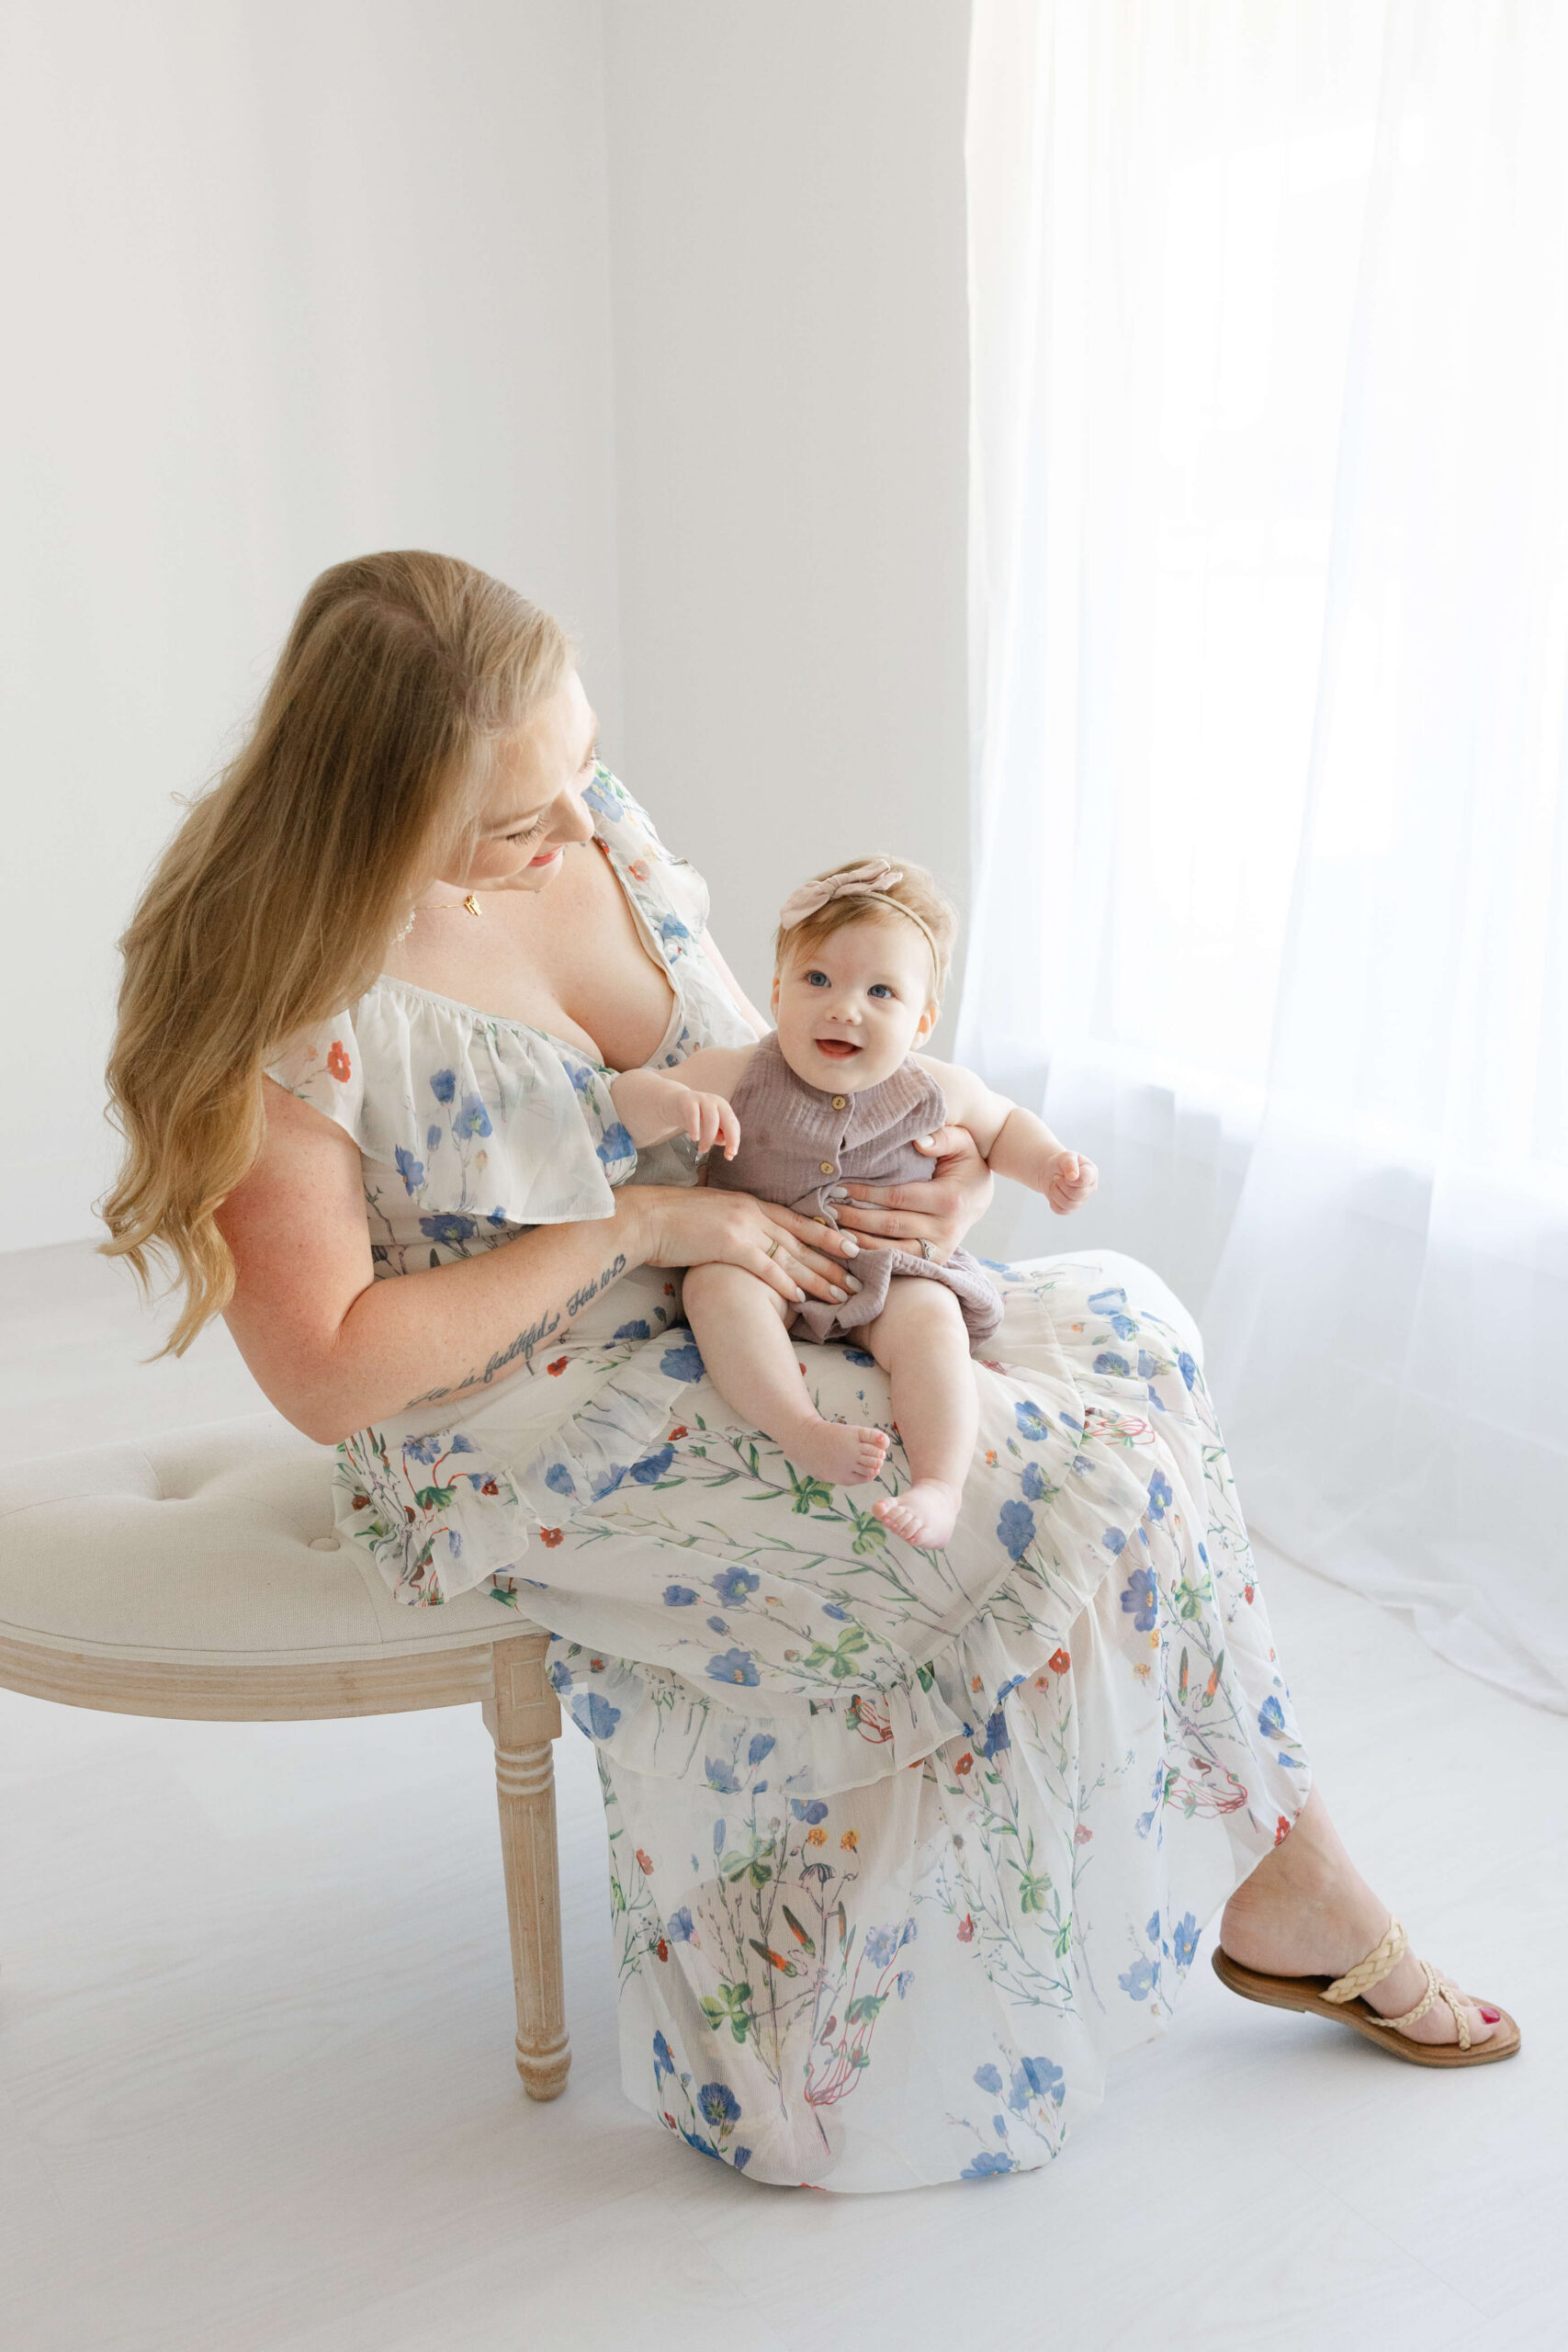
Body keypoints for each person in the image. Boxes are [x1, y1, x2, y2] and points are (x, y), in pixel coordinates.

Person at [101, 552, 1516, 2195]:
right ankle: (1294, 1888)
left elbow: (783, 1060)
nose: (570, 833)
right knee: (1078, 1483)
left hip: (778, 1269)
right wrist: (633, 1223)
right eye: (517, 820)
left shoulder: (580, 816)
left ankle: (1204, 1871)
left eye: (577, 772)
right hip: (528, 1409)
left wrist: (940, 1177)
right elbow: (335, 1378)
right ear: (384, 805)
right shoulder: (292, 1001)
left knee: (1130, 1331)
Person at [606, 854, 1100, 1551]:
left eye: (880, 992)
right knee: (715, 1292)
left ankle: (938, 1484)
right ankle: (799, 1428)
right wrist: (673, 1102)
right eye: (817, 980)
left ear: (922, 1021)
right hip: (766, 1262)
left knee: (934, 1328)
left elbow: (1005, 1124)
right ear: (776, 992)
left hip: (888, 1271)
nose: (844, 1006)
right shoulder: (738, 1073)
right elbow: (627, 1101)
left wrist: (1049, 1164)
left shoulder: (935, 1086)